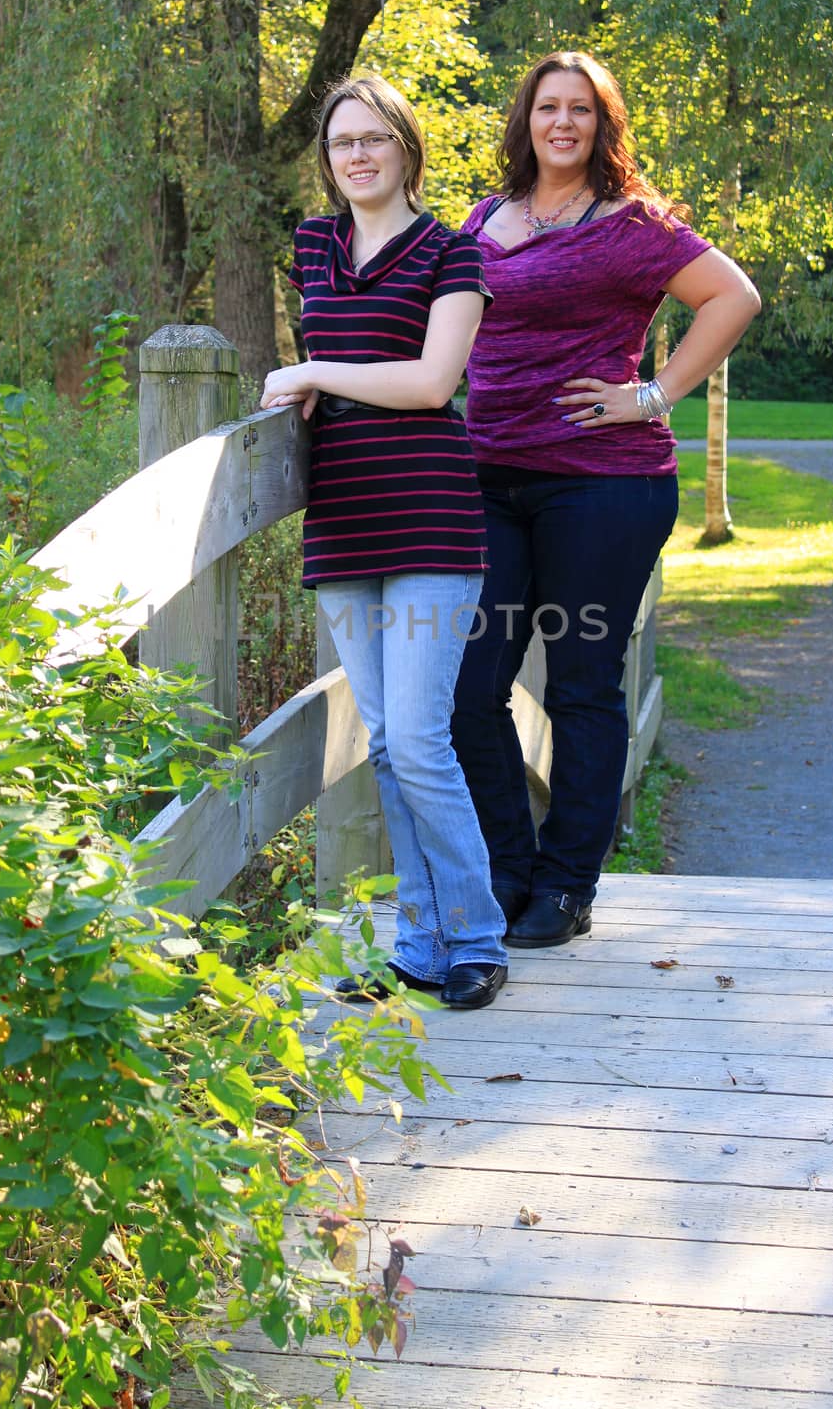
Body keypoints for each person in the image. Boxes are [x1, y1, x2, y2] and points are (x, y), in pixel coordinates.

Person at [451, 50, 761, 949]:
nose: (561, 123)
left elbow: (731, 297)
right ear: (526, 120)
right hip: (489, 480)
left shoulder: (635, 225)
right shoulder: (484, 216)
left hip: (603, 486)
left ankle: (567, 885)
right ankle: (509, 870)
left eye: (579, 110)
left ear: (601, 124)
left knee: (582, 684)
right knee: (472, 686)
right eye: (547, 107)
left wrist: (654, 393)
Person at [260, 73, 508, 1010]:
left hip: (431, 520)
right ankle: (419, 943)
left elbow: (432, 383)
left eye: (373, 138)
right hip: (343, 521)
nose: (356, 155)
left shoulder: (453, 254)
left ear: (406, 148)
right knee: (392, 747)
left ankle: (476, 938)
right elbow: (353, 370)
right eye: (339, 143)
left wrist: (313, 367)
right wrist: (309, 382)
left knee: (417, 736)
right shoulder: (315, 245)